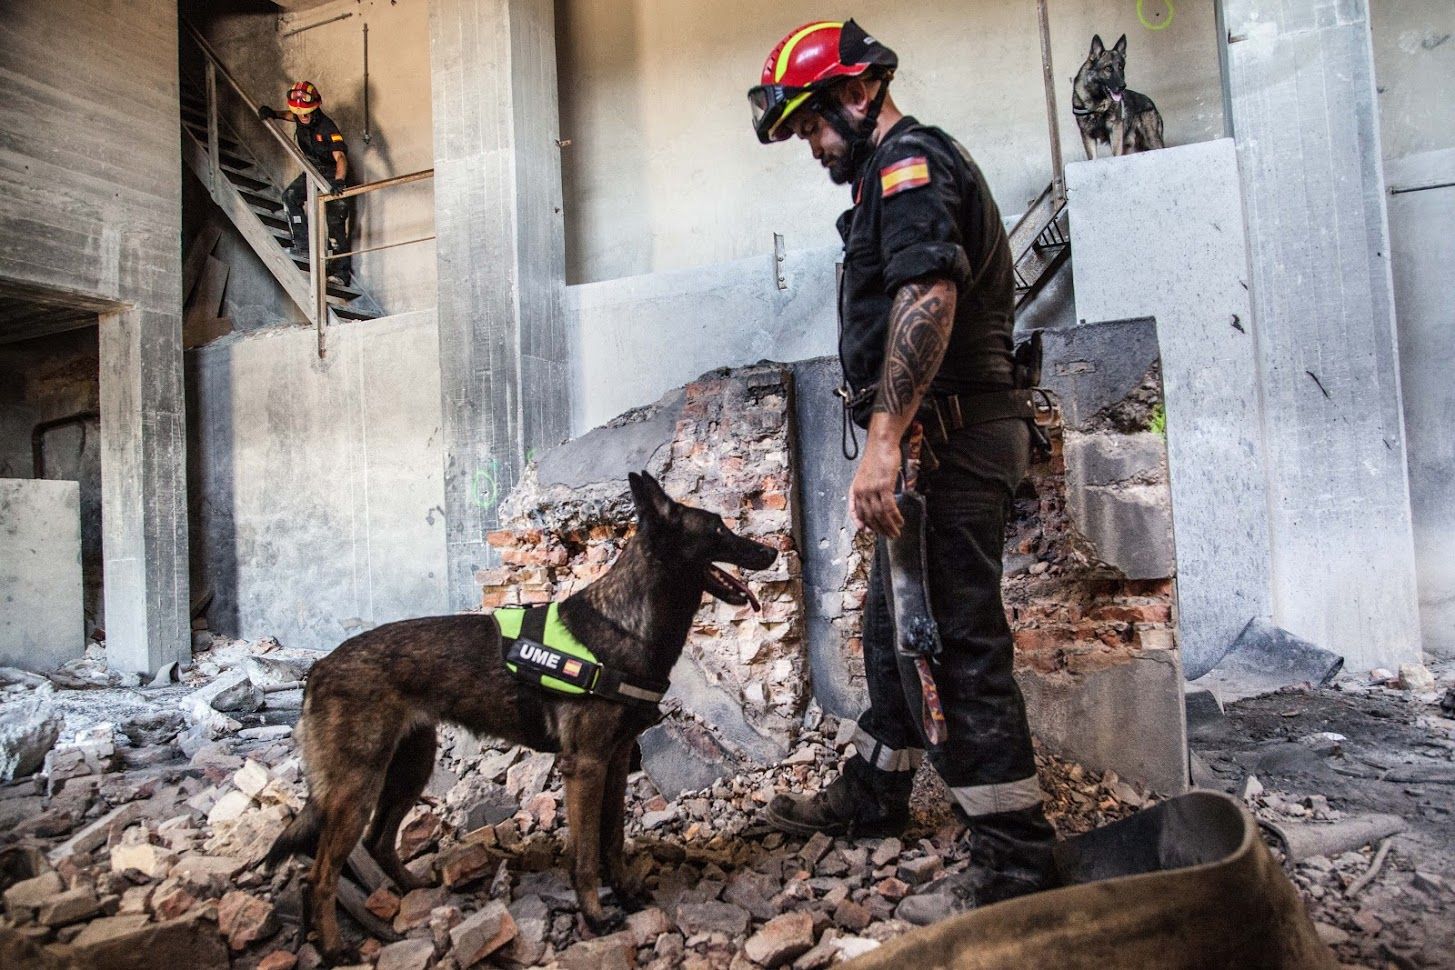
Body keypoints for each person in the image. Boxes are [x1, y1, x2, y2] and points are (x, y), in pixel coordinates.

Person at [748, 20, 1059, 922]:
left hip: (948, 439)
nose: (811, 145)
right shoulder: (890, 178)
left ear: (856, 93)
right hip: (934, 437)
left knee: (956, 639)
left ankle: (1016, 861)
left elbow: (929, 294)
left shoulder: (908, 165)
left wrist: (884, 440)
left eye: (811, 123)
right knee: (895, 630)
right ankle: (877, 796)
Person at [258, 81, 354, 284]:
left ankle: (341, 273)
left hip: (333, 174)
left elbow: (341, 158)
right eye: (299, 113)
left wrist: (338, 181)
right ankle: (303, 245)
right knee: (289, 197)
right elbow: (288, 115)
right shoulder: (299, 116)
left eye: (306, 113)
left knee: (335, 223)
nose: (302, 117)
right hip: (313, 171)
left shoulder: (327, 127)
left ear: (316, 108)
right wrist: (273, 113)